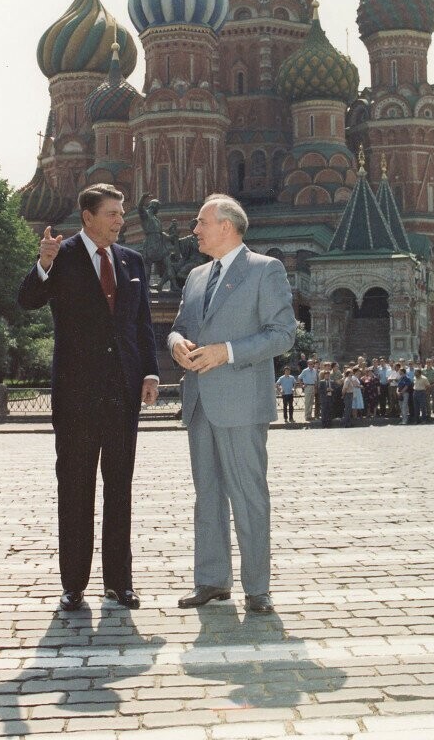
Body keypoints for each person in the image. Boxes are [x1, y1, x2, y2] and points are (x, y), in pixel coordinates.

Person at [18, 184, 159, 612]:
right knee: (76, 489)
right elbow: (27, 301)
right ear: (88, 217)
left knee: (120, 489)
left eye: (121, 213)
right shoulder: (60, 257)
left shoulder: (132, 260)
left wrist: (150, 371)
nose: (120, 220)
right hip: (76, 397)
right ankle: (73, 585)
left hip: (123, 395)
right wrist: (42, 263)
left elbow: (142, 323)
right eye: (113, 213)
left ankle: (120, 582)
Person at [168, 194, 295, 614]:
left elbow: (282, 335)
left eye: (201, 222)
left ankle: (257, 588)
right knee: (207, 495)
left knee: (248, 495)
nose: (195, 229)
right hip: (200, 402)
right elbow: (181, 327)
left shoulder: (266, 269)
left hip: (241, 402)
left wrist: (228, 351)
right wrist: (176, 344)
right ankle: (211, 580)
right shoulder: (196, 276)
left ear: (227, 226)